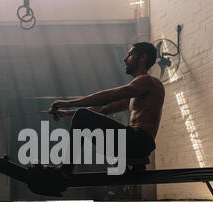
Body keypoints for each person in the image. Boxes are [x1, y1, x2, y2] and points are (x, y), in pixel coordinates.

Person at [49, 42, 165, 175]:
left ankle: (65, 170)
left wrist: (68, 103)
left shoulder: (148, 81)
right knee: (82, 117)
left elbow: (109, 96)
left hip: (139, 141)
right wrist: (68, 113)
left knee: (82, 115)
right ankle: (132, 161)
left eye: (130, 54)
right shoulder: (137, 92)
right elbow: (103, 109)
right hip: (137, 143)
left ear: (143, 57)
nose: (125, 59)